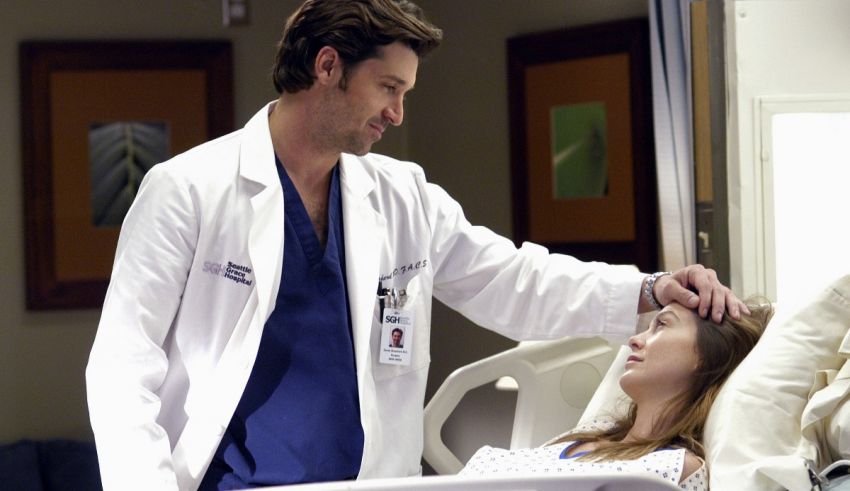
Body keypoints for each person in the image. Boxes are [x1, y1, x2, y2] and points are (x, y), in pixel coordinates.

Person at [85, 0, 749, 489]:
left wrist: (647, 289)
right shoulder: (189, 191)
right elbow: (121, 367)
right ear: (326, 67)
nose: (397, 113)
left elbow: (512, 281)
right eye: (389, 88)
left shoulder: (401, 196)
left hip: (373, 481)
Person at [459, 300, 772, 490]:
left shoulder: (673, 469)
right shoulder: (585, 436)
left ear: (704, 357)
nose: (635, 340)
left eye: (661, 325)